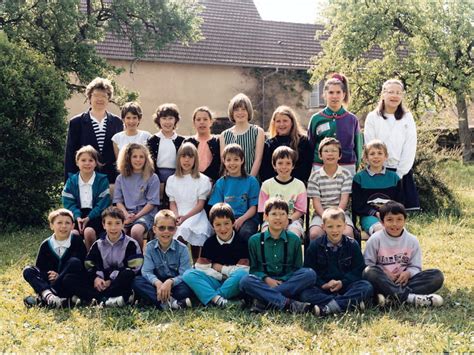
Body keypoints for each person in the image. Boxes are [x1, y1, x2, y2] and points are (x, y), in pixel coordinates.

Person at [239, 198, 317, 314]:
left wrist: (283, 280)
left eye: (282, 214)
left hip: (287, 281)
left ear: (287, 218)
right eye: (274, 214)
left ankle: (262, 300)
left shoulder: (294, 240)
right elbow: (253, 270)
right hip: (264, 282)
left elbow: (297, 268)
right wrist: (267, 279)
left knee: (310, 274)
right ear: (265, 216)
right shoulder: (254, 240)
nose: (278, 218)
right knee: (245, 281)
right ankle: (288, 304)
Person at [363, 201, 444, 307]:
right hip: (383, 280)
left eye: (399, 219)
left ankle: (390, 298)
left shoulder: (412, 240)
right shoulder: (375, 239)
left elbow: (415, 267)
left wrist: (408, 273)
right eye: (389, 220)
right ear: (382, 222)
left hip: (405, 281)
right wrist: (385, 274)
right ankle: (411, 298)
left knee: (436, 276)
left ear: (405, 220)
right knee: (369, 272)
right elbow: (368, 264)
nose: (395, 224)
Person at [62, 207, 144, 307]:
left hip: (117, 282)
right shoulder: (98, 244)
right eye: (109, 223)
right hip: (99, 283)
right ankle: (106, 299)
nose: (113, 228)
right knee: (68, 278)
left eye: (117, 223)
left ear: (123, 224)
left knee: (128, 275)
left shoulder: (131, 244)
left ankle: (94, 298)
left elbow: (135, 268)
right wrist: (96, 278)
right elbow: (89, 265)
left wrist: (110, 280)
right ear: (103, 225)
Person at [299, 207, 373, 316]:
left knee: (366, 286)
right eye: (330, 226)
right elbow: (309, 271)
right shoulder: (315, 245)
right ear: (323, 227)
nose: (335, 230)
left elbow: (358, 270)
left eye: (338, 226)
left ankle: (329, 307)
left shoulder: (352, 245)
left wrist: (342, 283)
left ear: (344, 226)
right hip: (323, 288)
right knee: (304, 294)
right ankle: (349, 303)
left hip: (346, 287)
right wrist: (323, 285)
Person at [364, 79, 420, 210]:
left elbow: (410, 145)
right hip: (378, 170)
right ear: (383, 94)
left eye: (398, 93)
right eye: (390, 92)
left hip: (401, 172)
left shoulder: (407, 117)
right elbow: (370, 145)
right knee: (379, 211)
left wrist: (400, 173)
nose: (394, 96)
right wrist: (379, 169)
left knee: (400, 214)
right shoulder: (372, 117)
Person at [182, 203, 249, 307]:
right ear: (212, 226)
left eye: (226, 223)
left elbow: (244, 270)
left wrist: (221, 268)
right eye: (218, 225)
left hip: (232, 283)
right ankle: (219, 301)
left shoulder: (241, 242)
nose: (223, 229)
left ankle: (209, 298)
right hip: (216, 280)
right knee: (188, 274)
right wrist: (221, 275)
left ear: (233, 222)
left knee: (242, 275)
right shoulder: (209, 243)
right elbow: (201, 268)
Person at [64, 77, 123, 185]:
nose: (99, 99)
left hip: (111, 179)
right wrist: (69, 183)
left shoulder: (117, 122)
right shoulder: (77, 122)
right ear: (89, 97)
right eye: (96, 95)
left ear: (108, 99)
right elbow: (70, 155)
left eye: (104, 96)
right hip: (84, 179)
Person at [23, 209, 87, 308]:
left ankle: (45, 300)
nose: (63, 226)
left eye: (67, 223)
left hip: (69, 282)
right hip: (49, 283)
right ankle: (50, 297)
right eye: (59, 223)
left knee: (74, 262)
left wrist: (59, 276)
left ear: (72, 226)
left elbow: (82, 266)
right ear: (52, 225)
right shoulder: (46, 244)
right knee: (28, 270)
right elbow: (41, 268)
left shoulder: (77, 241)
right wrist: (50, 275)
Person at [132, 209, 193, 310]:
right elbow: (147, 271)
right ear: (154, 229)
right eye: (161, 228)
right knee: (137, 281)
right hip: (156, 285)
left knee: (187, 287)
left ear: (175, 230)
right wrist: (158, 283)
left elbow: (184, 274)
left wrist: (170, 282)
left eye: (170, 228)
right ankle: (172, 303)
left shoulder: (182, 249)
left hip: (174, 285)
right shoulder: (149, 247)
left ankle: (155, 301)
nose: (166, 231)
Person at [307, 73, 363, 176]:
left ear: (344, 94)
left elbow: (358, 149)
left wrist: (355, 165)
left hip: (347, 168)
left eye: (338, 92)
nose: (335, 96)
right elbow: (310, 146)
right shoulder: (316, 119)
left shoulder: (352, 119)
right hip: (320, 168)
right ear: (324, 94)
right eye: (331, 92)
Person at [166, 143, 213, 263]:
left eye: (190, 157)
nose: (186, 160)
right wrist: (176, 216)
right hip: (178, 214)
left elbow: (200, 205)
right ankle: (178, 263)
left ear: (195, 159)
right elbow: (173, 203)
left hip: (195, 215)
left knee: (190, 230)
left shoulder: (202, 180)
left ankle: (196, 263)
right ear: (179, 158)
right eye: (183, 156)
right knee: (179, 232)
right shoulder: (172, 180)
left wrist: (185, 217)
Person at [62, 145, 110, 251]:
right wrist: (78, 217)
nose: (87, 163)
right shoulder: (71, 181)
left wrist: (88, 218)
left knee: (89, 232)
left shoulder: (102, 180)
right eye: (83, 160)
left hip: (96, 215)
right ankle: (79, 258)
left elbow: (103, 203)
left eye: (91, 160)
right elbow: (68, 202)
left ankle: (91, 259)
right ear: (77, 162)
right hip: (76, 215)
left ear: (95, 163)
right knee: (74, 233)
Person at [208, 144, 260, 242]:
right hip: (225, 218)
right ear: (224, 161)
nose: (232, 163)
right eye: (228, 160)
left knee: (245, 233)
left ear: (242, 160)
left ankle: (246, 258)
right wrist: (227, 223)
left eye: (236, 159)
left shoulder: (252, 181)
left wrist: (241, 219)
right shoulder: (221, 182)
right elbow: (216, 208)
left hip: (247, 218)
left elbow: (253, 208)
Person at [352, 140, 404, 236]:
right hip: (369, 216)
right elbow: (357, 205)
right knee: (381, 231)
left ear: (386, 157)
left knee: (399, 231)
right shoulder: (359, 178)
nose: (376, 156)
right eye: (372, 154)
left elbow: (399, 202)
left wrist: (390, 215)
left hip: (391, 216)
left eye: (380, 153)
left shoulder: (394, 178)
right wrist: (376, 213)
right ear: (366, 158)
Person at [113, 143, 160, 249]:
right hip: (126, 215)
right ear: (128, 158)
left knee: (136, 231)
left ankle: (138, 260)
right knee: (116, 232)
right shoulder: (121, 178)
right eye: (135, 156)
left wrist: (136, 217)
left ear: (146, 159)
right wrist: (125, 215)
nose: (138, 160)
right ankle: (121, 261)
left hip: (145, 215)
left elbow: (152, 203)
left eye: (141, 157)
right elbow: (118, 201)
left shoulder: (152, 177)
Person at [307, 137, 354, 240]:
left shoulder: (346, 175)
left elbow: (344, 200)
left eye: (334, 151)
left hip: (341, 213)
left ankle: (345, 256)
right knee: (314, 234)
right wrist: (326, 217)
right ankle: (319, 256)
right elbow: (316, 203)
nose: (330, 154)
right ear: (320, 155)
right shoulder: (314, 176)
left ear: (340, 155)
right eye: (326, 151)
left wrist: (336, 216)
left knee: (348, 233)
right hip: (321, 214)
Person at [258, 146, 307, 239]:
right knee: (265, 235)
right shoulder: (266, 185)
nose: (284, 167)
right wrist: (274, 221)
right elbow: (263, 210)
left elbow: (300, 210)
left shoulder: (299, 185)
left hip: (293, 220)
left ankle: (290, 253)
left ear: (293, 165)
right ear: (274, 165)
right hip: (270, 220)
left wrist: (287, 221)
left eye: (288, 163)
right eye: (280, 163)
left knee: (293, 235)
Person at [260, 105, 312, 184]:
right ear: (274, 123)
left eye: (285, 121)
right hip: (275, 187)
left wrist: (290, 182)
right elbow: (265, 171)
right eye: (278, 121)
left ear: (292, 122)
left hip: (297, 186)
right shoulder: (269, 145)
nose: (281, 124)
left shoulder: (303, 142)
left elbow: (306, 168)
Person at [147, 103, 185, 207]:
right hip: (156, 176)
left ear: (175, 120)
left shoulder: (182, 141)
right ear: (158, 120)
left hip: (176, 176)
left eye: (170, 118)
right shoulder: (152, 140)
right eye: (164, 118)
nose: (167, 122)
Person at [220, 93, 265, 177]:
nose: (240, 112)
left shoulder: (258, 132)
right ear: (232, 112)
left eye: (243, 109)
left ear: (248, 111)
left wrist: (249, 181)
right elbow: (224, 162)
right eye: (236, 110)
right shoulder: (224, 135)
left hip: (251, 180)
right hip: (231, 181)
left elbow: (258, 159)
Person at [183, 106, 221, 183]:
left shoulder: (218, 141)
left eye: (205, 119)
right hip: (192, 183)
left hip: (213, 184)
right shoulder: (187, 142)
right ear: (194, 123)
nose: (202, 122)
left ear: (211, 122)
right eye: (198, 119)